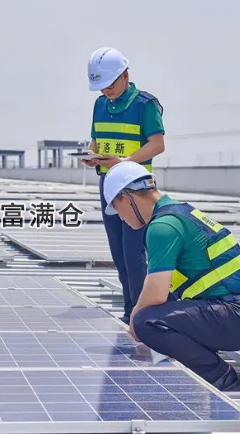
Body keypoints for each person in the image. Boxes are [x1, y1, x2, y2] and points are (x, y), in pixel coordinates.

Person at [101, 161, 240, 391]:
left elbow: (156, 293)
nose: (120, 217)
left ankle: (218, 374)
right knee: (157, 312)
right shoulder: (179, 212)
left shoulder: (162, 227)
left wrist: (134, 320)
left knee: (145, 321)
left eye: (116, 207)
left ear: (127, 198)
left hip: (238, 316)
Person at [82, 46, 166, 325]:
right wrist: (92, 155)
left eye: (110, 85)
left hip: (137, 187)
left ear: (125, 75)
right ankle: (130, 307)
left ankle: (140, 312)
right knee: (118, 250)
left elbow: (157, 144)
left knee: (134, 251)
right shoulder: (100, 105)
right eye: (101, 87)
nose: (106, 91)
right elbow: (97, 141)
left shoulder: (145, 104)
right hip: (108, 184)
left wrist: (125, 162)